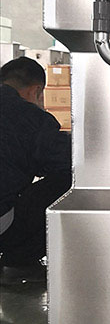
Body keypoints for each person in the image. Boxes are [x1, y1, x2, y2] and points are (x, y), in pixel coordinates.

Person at [0, 56, 72, 284]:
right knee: (71, 181)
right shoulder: (29, 117)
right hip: (4, 226)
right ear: (36, 91)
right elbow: (67, 161)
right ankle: (19, 263)